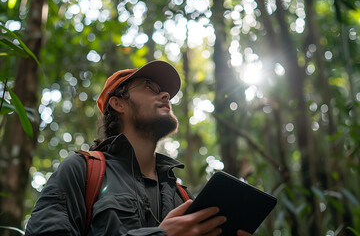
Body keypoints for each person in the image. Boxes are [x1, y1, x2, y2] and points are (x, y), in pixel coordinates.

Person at [25, 60, 252, 236]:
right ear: (118, 103)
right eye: (149, 86)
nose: (165, 95)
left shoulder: (182, 197)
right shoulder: (82, 171)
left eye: (164, 91)